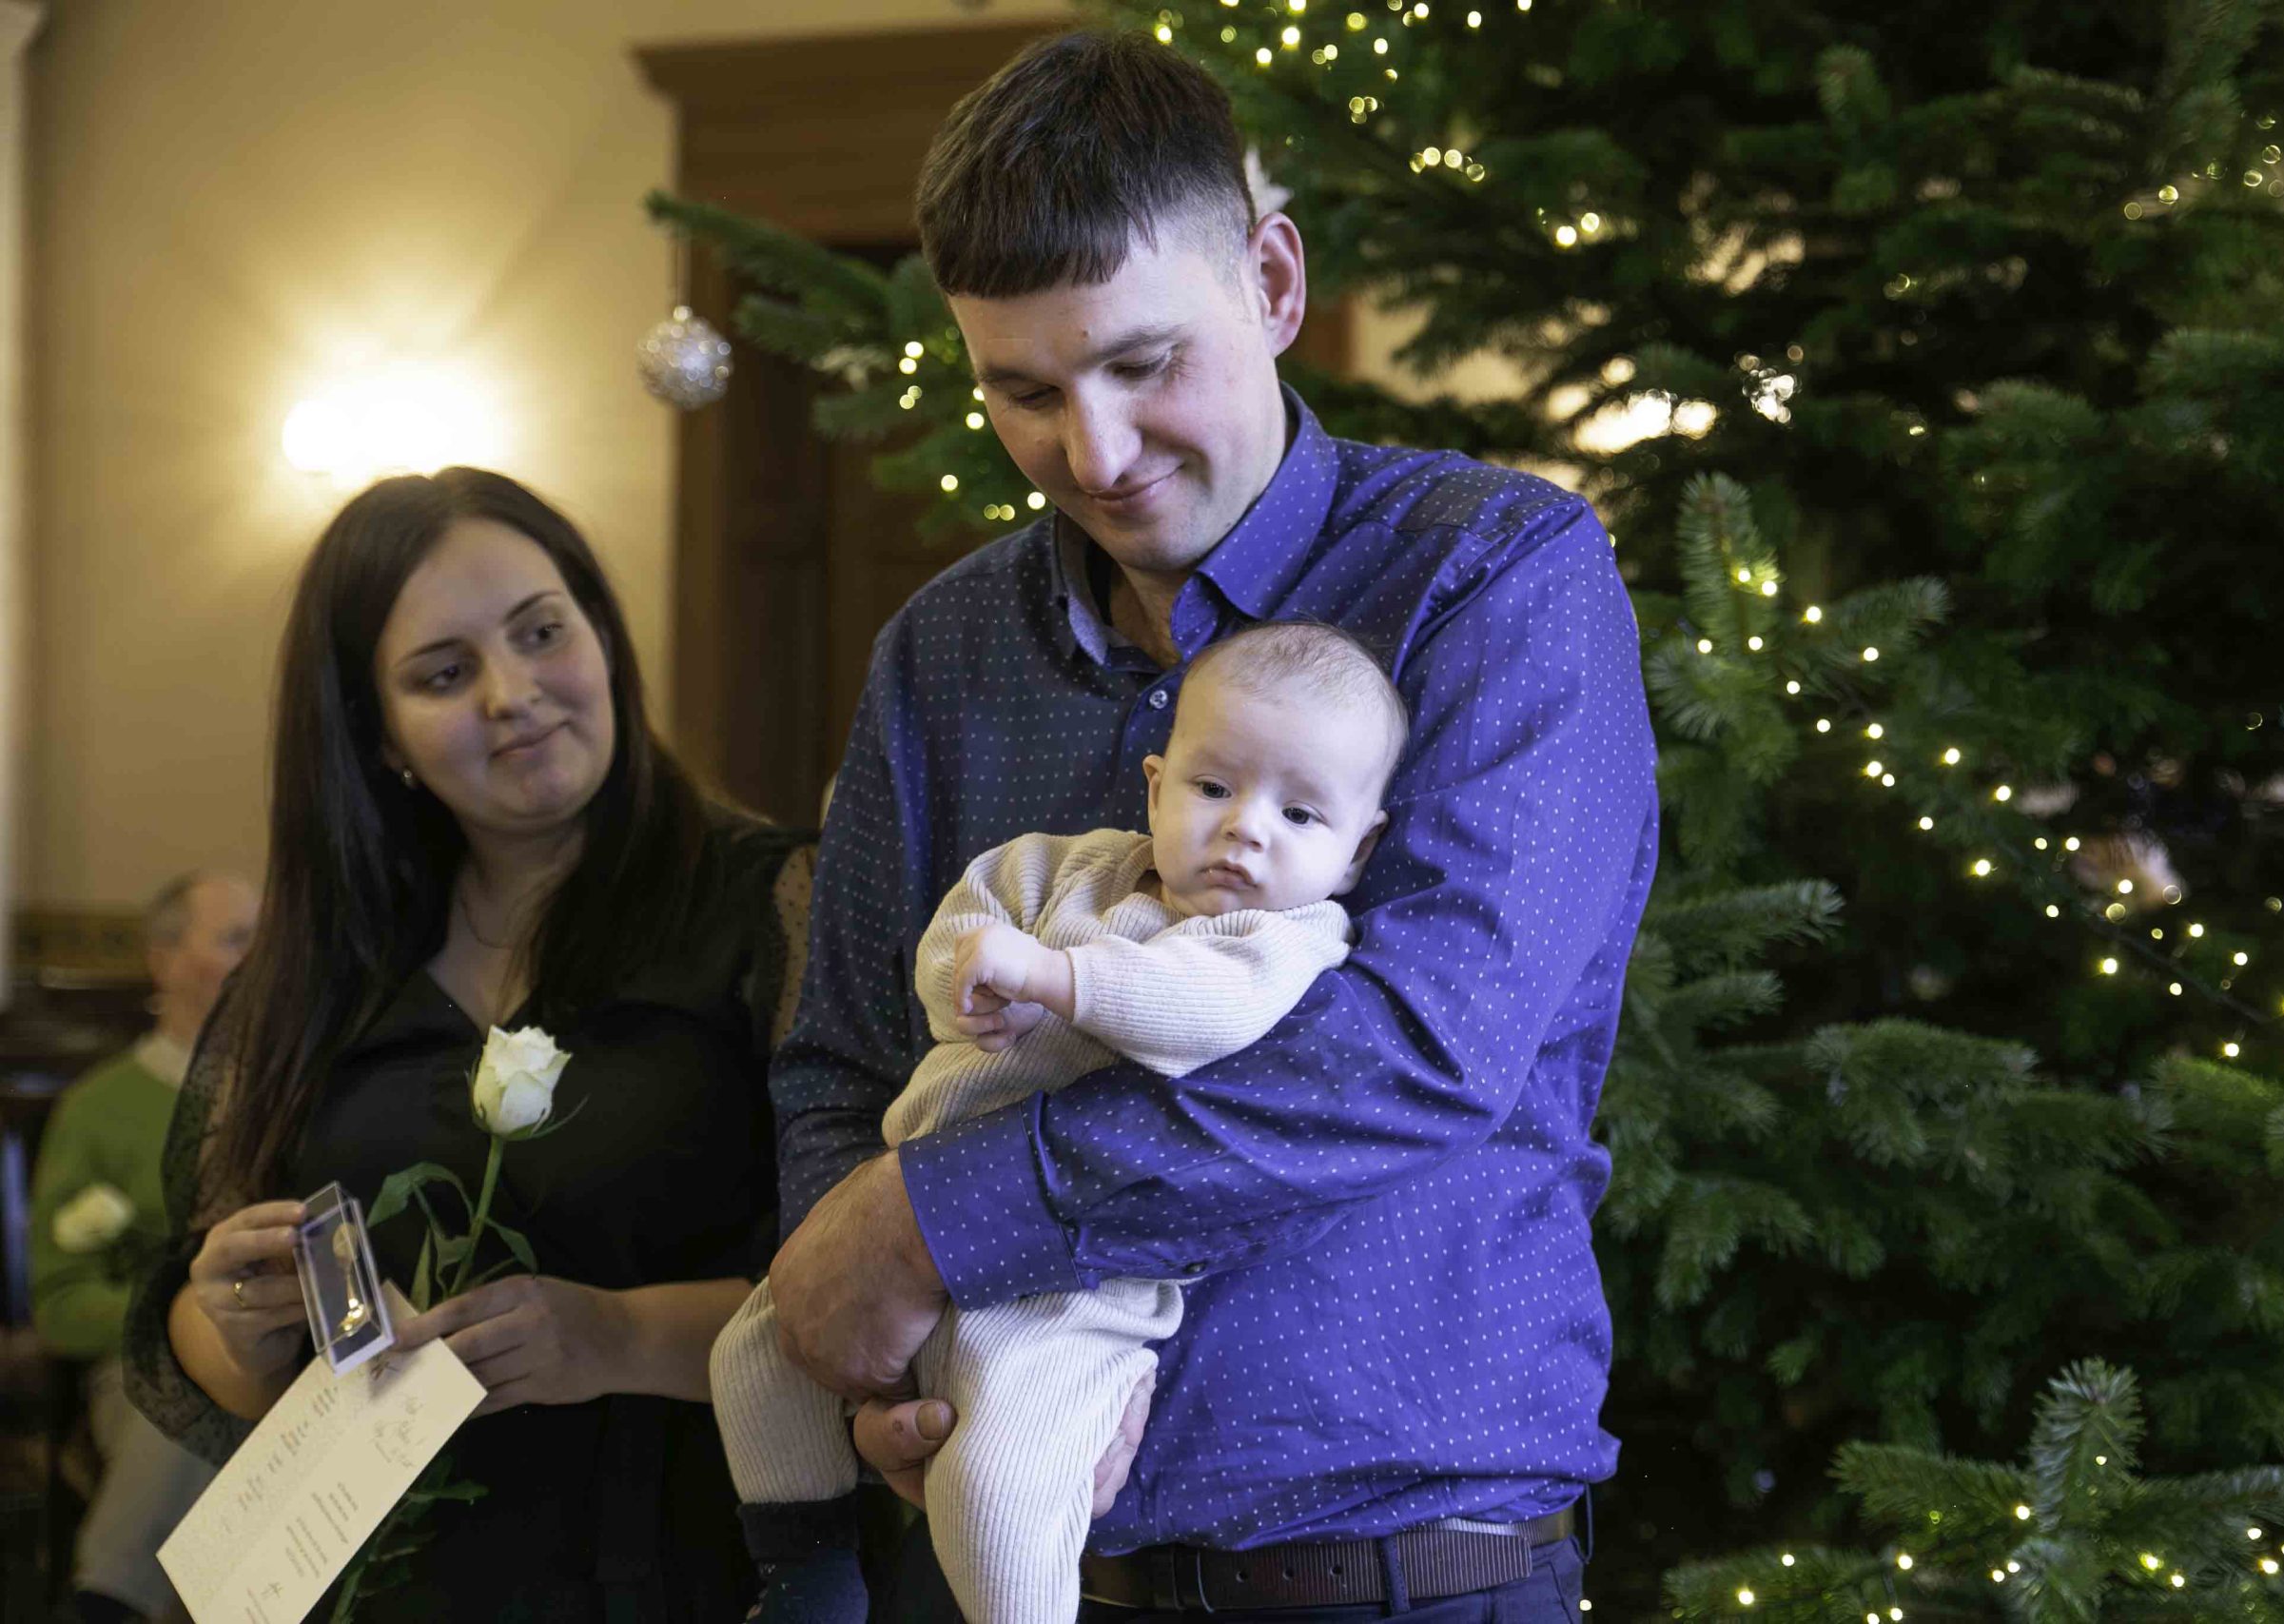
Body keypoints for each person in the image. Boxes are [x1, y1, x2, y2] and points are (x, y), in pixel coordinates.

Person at [767, 29, 1660, 1622]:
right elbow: (842, 1059)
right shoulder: (942, 651)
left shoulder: (1495, 577)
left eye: (1143, 363)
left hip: (1415, 1575)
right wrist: (883, 1357)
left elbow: (1420, 1046)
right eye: (1023, 391)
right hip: (1050, 1568)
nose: (1093, 452)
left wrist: (934, 1225)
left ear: (1273, 280)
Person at [121, 468, 810, 1621]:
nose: (513, 694)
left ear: (602, 634)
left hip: (678, 1573)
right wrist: (232, 1324)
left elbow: (883, 1292)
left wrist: (620, 1335)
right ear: (377, 734)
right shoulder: (314, 969)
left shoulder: (771, 905)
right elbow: (207, 1336)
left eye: (541, 633)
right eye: (443, 674)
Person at [716, 621, 1404, 1623]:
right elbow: (963, 921)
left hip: (1068, 1297)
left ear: (1357, 850)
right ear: (1156, 788)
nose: (1246, 828)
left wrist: (1054, 977)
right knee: (753, 1352)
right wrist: (964, 985)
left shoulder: (1282, 938)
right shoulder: (1064, 868)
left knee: (994, 1483)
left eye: (1299, 812)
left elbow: (1200, 1011)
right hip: (903, 1250)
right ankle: (804, 1576)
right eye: (1214, 787)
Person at [29, 871, 257, 1623]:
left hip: (282, 1359)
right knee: (194, 1395)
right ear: (165, 960)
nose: (261, 959)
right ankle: (111, 1600)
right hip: (135, 1364)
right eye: (235, 938)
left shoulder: (294, 1093)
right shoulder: (98, 1107)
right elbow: (62, 1306)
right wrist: (181, 1316)